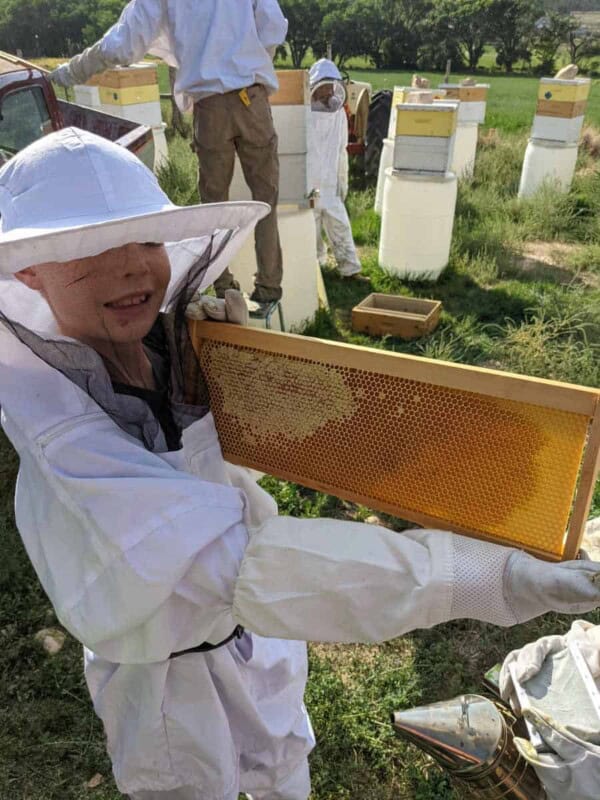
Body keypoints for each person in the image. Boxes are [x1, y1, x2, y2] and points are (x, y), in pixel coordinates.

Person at [2, 128, 600, 800]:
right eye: (93, 249)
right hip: (170, 692)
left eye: (145, 240)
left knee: (287, 772)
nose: (133, 267)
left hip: (257, 644)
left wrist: (248, 380)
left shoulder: (166, 348)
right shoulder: (70, 453)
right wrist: (499, 573)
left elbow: (255, 471)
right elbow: (253, 566)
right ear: (27, 269)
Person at [50, 0, 288, 310]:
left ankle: (223, 286)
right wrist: (249, 64)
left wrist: (68, 73)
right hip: (252, 100)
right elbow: (272, 28)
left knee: (215, 207)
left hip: (210, 107)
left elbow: (121, 45)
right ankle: (268, 286)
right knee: (265, 198)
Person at [307, 59, 362, 278]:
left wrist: (342, 182)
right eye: (324, 86)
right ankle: (314, 271)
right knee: (310, 233)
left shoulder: (338, 114)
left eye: (332, 86)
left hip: (329, 184)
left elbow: (342, 151)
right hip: (308, 186)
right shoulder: (303, 113)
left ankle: (350, 270)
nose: (328, 91)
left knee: (341, 227)